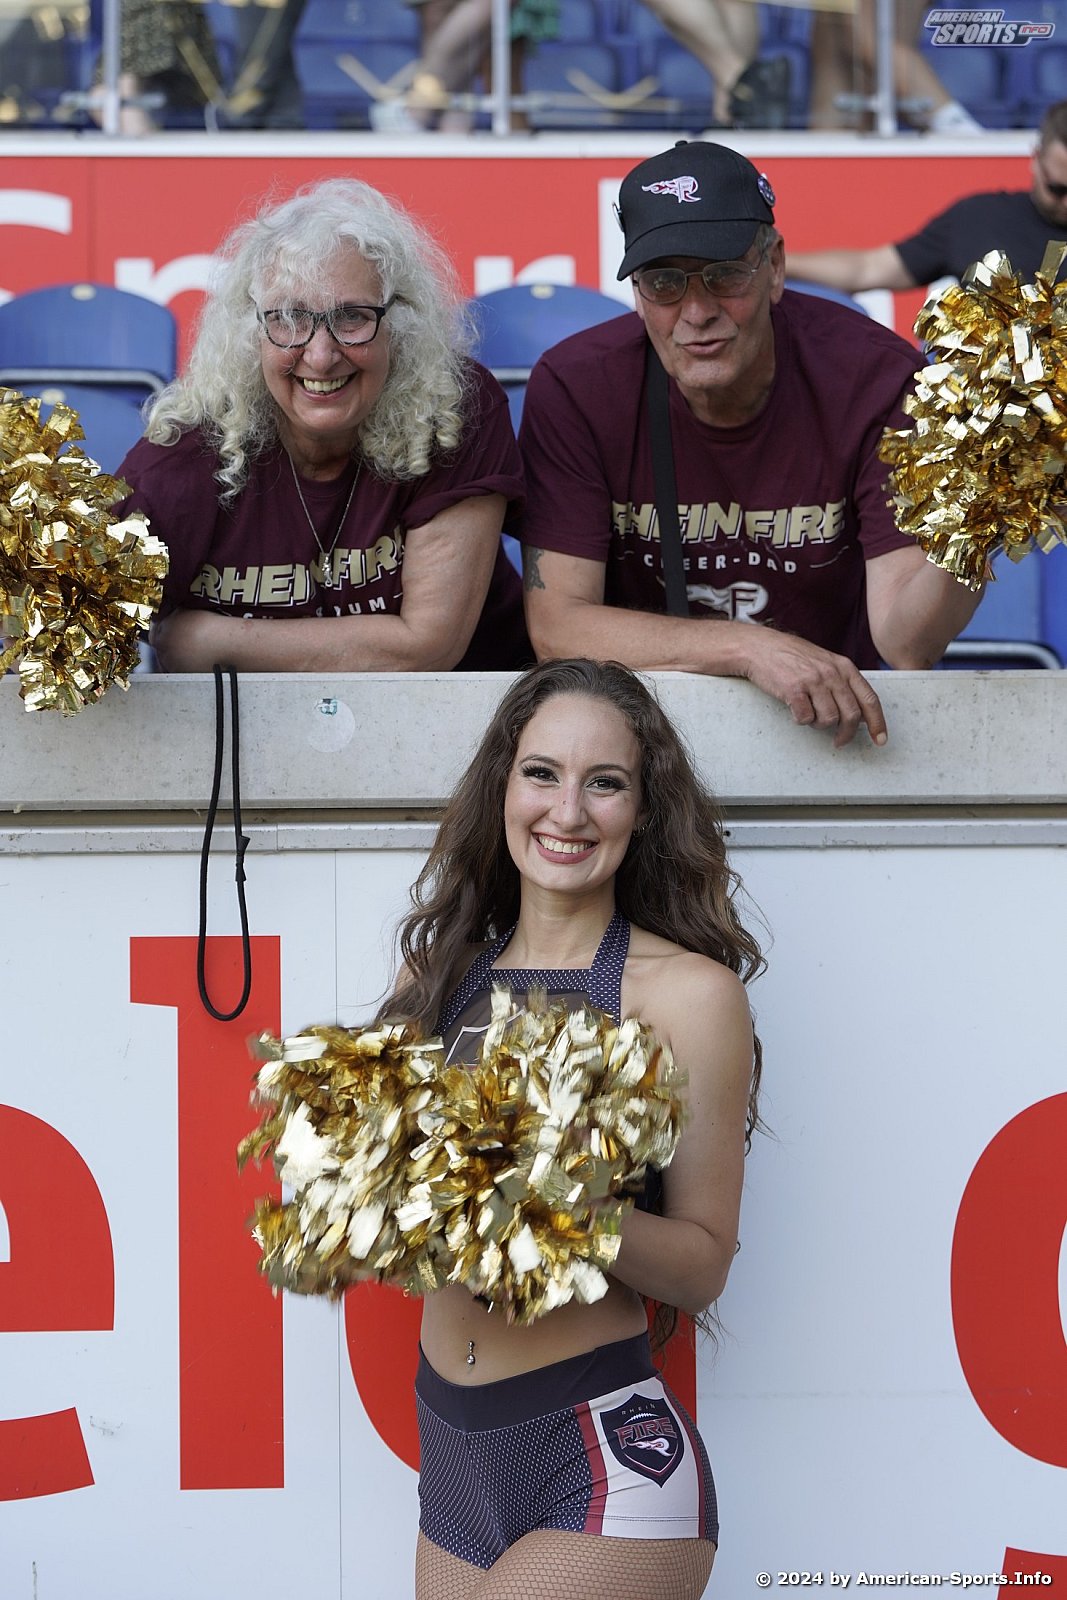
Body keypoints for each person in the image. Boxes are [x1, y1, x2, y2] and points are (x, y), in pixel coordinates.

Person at [378, 656, 761, 1600]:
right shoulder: (437, 978)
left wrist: (560, 1202)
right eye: (542, 773)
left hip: (598, 1454)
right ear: (503, 786)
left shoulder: (688, 995)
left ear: (644, 809)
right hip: (452, 1464)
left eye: (606, 783)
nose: (567, 811)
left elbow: (702, 1265)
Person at [518, 140, 983, 748]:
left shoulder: (875, 377)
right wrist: (750, 649)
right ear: (637, 291)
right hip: (640, 742)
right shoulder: (577, 385)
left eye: (725, 274)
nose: (697, 311)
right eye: (663, 282)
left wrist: (978, 518)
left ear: (775, 267)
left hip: (832, 733)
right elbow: (557, 628)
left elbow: (907, 644)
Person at [116, 178, 529, 672]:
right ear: (251, 330)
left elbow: (427, 648)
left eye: (351, 317)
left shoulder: (452, 407)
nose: (321, 355)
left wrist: (208, 640)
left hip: (461, 712)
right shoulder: (192, 443)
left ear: (401, 325)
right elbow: (77, 616)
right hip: (241, 718)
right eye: (289, 318)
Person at [789, 99, 1067, 293]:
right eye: (1057, 189)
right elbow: (867, 269)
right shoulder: (977, 218)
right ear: (1035, 159)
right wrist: (781, 262)